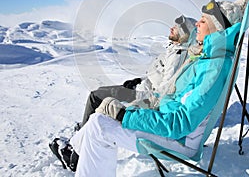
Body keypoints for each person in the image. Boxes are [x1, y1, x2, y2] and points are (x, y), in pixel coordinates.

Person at [66, 0, 249, 176]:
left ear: (217, 28)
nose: (196, 25)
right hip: (167, 123)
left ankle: (74, 151)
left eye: (202, 21)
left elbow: (181, 123)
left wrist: (125, 114)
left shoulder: (214, 67)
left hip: (179, 140)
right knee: (100, 117)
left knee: (100, 126)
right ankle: (73, 149)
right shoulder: (206, 60)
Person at [49, 15, 197, 170]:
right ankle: (82, 136)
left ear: (185, 33)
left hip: (145, 97)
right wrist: (139, 80)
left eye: (177, 27)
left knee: (96, 97)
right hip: (142, 89)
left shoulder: (179, 55)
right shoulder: (173, 49)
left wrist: (139, 94)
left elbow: (164, 90)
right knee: (99, 94)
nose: (171, 28)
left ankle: (76, 155)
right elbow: (158, 76)